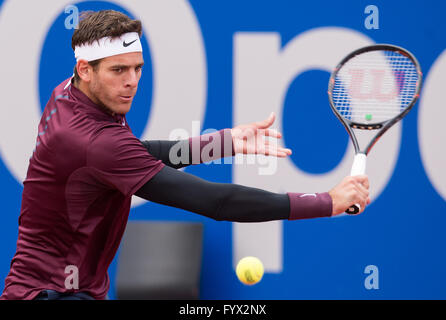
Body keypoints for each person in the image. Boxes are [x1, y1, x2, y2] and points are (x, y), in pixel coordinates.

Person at [0, 10, 370, 300]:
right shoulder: (93, 140)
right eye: (118, 70)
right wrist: (327, 201)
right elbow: (217, 201)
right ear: (85, 69)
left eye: (137, 68)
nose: (132, 81)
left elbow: (134, 154)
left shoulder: (69, 94)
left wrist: (221, 143)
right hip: (52, 293)